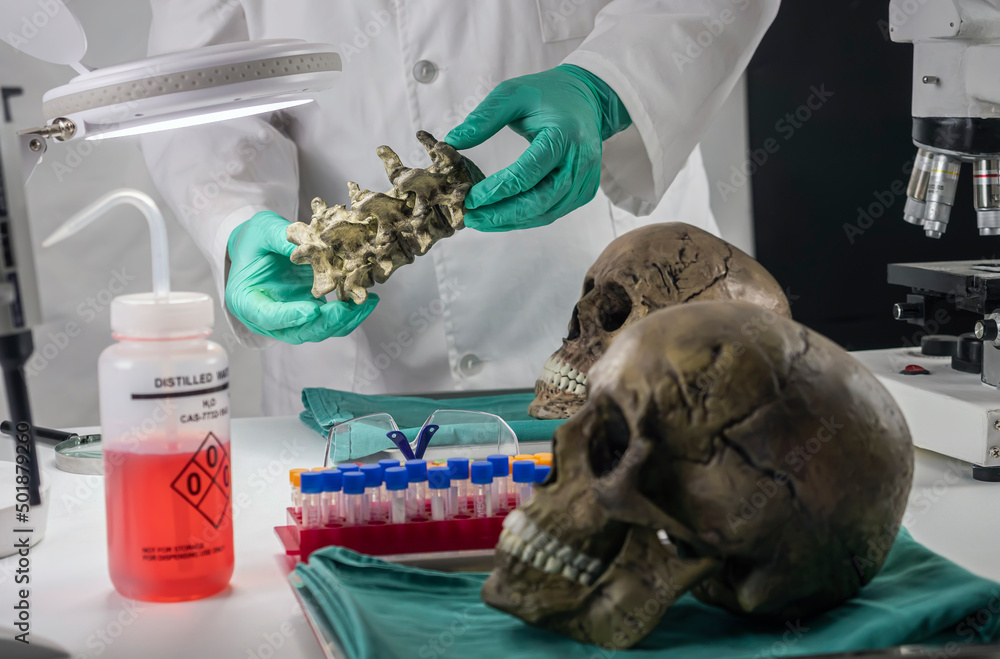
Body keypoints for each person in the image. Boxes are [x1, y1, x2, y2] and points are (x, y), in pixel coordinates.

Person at [141, 0, 781, 415]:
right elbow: (192, 85)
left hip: (611, 292)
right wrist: (234, 217)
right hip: (357, 365)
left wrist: (607, 87)